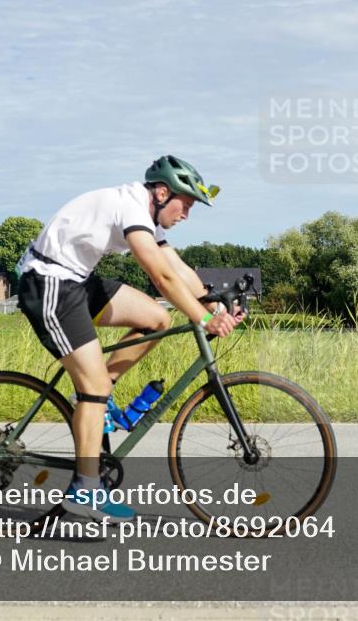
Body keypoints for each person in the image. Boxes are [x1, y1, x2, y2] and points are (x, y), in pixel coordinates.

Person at [16, 155, 244, 522]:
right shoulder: (131, 206)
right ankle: (84, 489)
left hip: (77, 281)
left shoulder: (147, 217)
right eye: (185, 205)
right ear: (163, 192)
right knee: (94, 388)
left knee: (156, 319)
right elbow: (161, 279)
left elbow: (176, 268)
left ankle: (97, 397)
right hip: (47, 284)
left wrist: (211, 302)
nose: (187, 214)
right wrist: (202, 318)